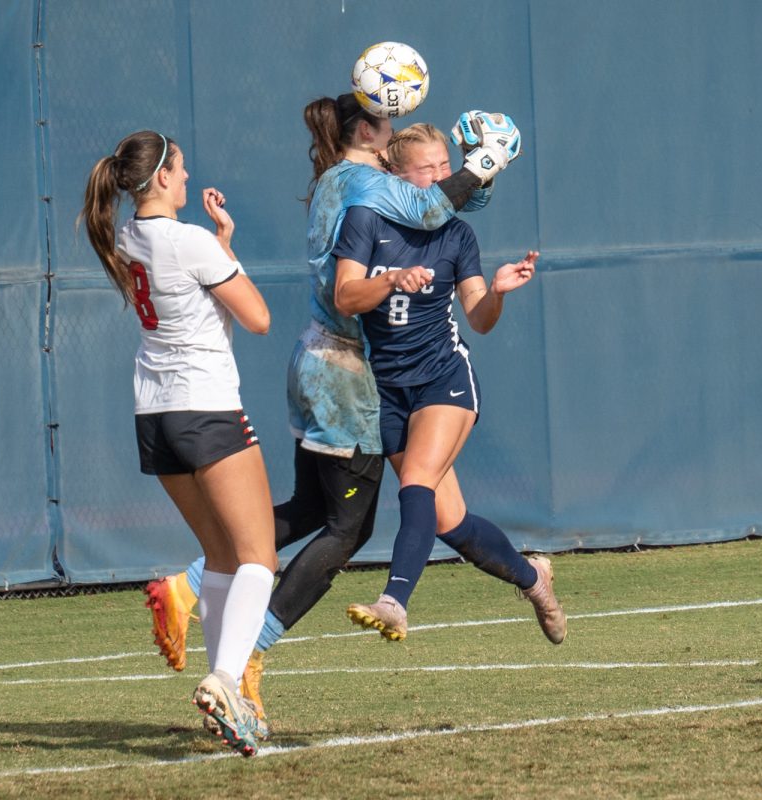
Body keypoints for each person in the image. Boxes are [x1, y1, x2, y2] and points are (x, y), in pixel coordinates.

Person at [142, 98, 521, 719]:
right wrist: (483, 162)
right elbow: (426, 205)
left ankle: (190, 584)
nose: (401, 141)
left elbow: (437, 208)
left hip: (319, 363)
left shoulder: (336, 179)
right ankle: (246, 655)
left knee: (316, 508)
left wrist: (474, 177)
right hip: (346, 371)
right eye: (391, 127)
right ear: (370, 133)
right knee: (351, 528)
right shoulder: (366, 182)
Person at [80, 130, 276, 757]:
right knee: (258, 559)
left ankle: (231, 698)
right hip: (205, 407)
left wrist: (219, 245)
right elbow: (258, 316)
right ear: (160, 177)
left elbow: (191, 288)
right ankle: (224, 680)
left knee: (219, 558)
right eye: (182, 169)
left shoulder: (126, 237)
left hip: (156, 415)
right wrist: (224, 250)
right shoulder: (185, 239)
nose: (189, 178)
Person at [335, 122, 566, 644]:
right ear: (394, 175)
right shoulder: (365, 221)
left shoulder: (456, 234)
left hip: (443, 377)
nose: (446, 178)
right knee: (450, 522)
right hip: (388, 387)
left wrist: (499, 291)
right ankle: (535, 579)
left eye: (448, 166)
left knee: (416, 479)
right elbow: (346, 298)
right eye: (429, 169)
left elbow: (479, 318)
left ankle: (394, 601)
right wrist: (391, 278)